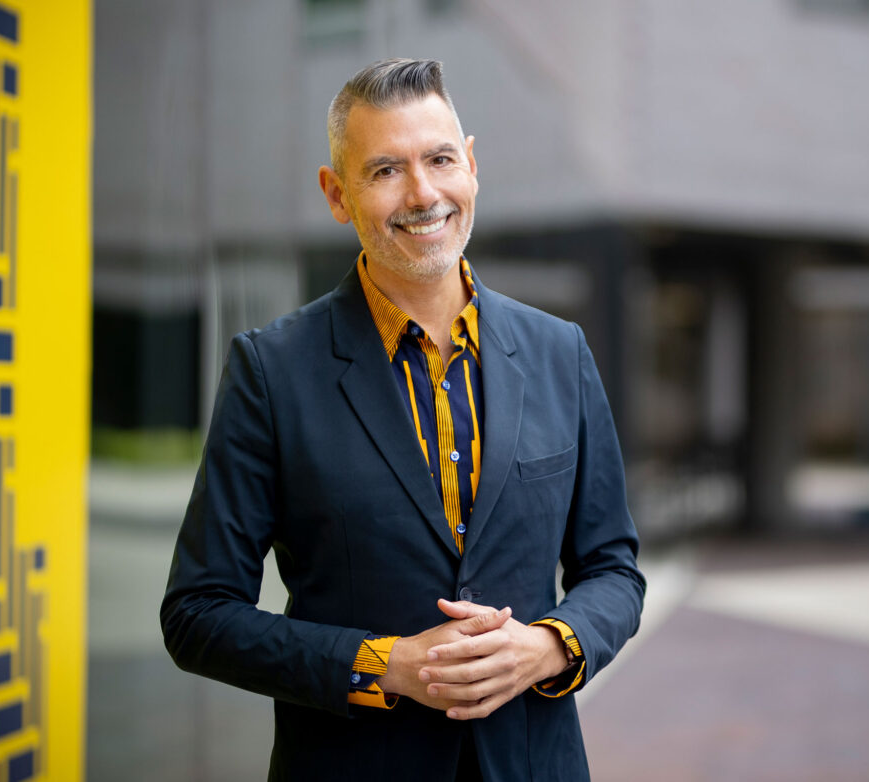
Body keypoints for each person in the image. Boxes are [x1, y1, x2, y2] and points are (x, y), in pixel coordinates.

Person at [160, 58, 645, 782]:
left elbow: (614, 570)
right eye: (385, 170)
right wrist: (382, 664)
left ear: (472, 166)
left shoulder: (559, 353)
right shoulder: (272, 371)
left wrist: (549, 646)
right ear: (336, 194)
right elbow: (198, 614)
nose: (423, 194)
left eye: (440, 159)